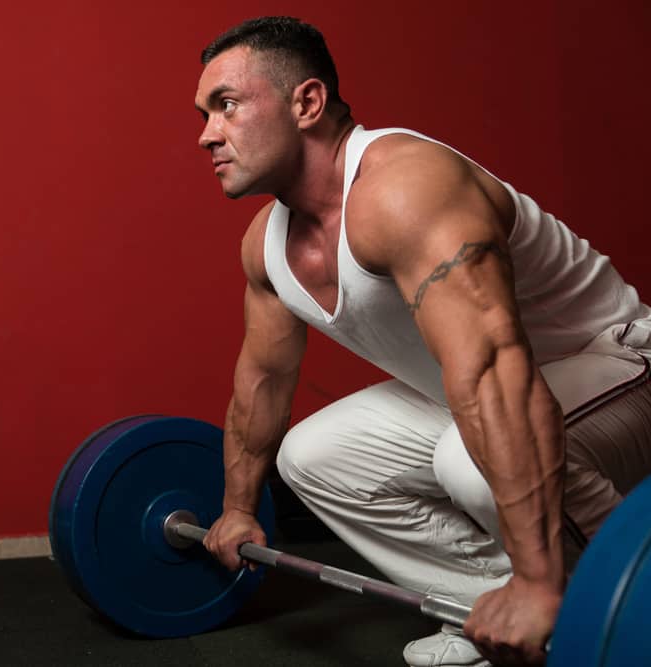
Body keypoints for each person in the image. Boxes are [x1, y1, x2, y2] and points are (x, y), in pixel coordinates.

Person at [193, 16, 651, 667]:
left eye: (226, 106)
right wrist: (238, 509)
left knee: (469, 457)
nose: (207, 134)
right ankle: (484, 607)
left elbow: (498, 374)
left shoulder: (407, 187)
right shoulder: (267, 245)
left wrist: (540, 580)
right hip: (480, 391)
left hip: (622, 364)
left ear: (307, 103)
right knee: (311, 456)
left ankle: (605, 603)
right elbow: (263, 382)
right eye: (205, 113)